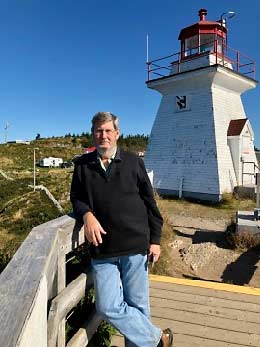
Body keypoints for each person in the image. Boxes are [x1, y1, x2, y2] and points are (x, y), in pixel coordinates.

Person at [70, 111, 173, 347]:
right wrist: (86, 215)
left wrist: (155, 240)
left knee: (138, 306)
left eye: (108, 131)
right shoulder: (82, 166)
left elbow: (150, 203)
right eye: (98, 131)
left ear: (117, 133)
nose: (103, 136)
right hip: (103, 249)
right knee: (107, 306)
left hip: (135, 246)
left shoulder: (134, 162)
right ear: (93, 134)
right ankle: (159, 338)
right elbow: (76, 198)